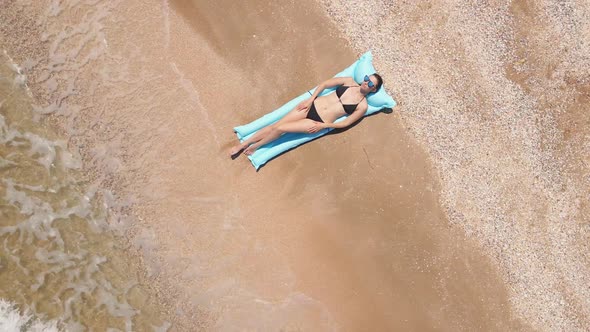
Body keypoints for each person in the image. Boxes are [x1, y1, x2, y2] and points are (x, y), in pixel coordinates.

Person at [229, 73, 383, 157]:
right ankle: (244, 144)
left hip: (318, 122)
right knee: (275, 125)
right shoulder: (348, 81)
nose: (366, 83)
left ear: (374, 90)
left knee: (281, 129)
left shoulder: (362, 106)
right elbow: (324, 84)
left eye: (370, 84)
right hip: (309, 106)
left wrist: (325, 126)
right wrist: (311, 99)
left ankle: (256, 145)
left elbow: (346, 123)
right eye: (366, 79)